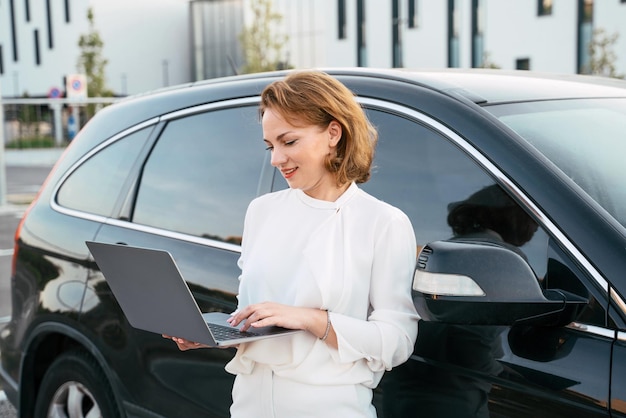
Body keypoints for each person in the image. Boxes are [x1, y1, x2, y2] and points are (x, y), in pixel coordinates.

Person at [165, 70, 419, 417]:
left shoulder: (382, 223)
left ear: (333, 133)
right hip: (249, 405)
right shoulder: (262, 211)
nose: (275, 159)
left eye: (289, 142)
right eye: (271, 146)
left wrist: (312, 319)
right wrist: (217, 334)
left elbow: (397, 342)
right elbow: (253, 318)